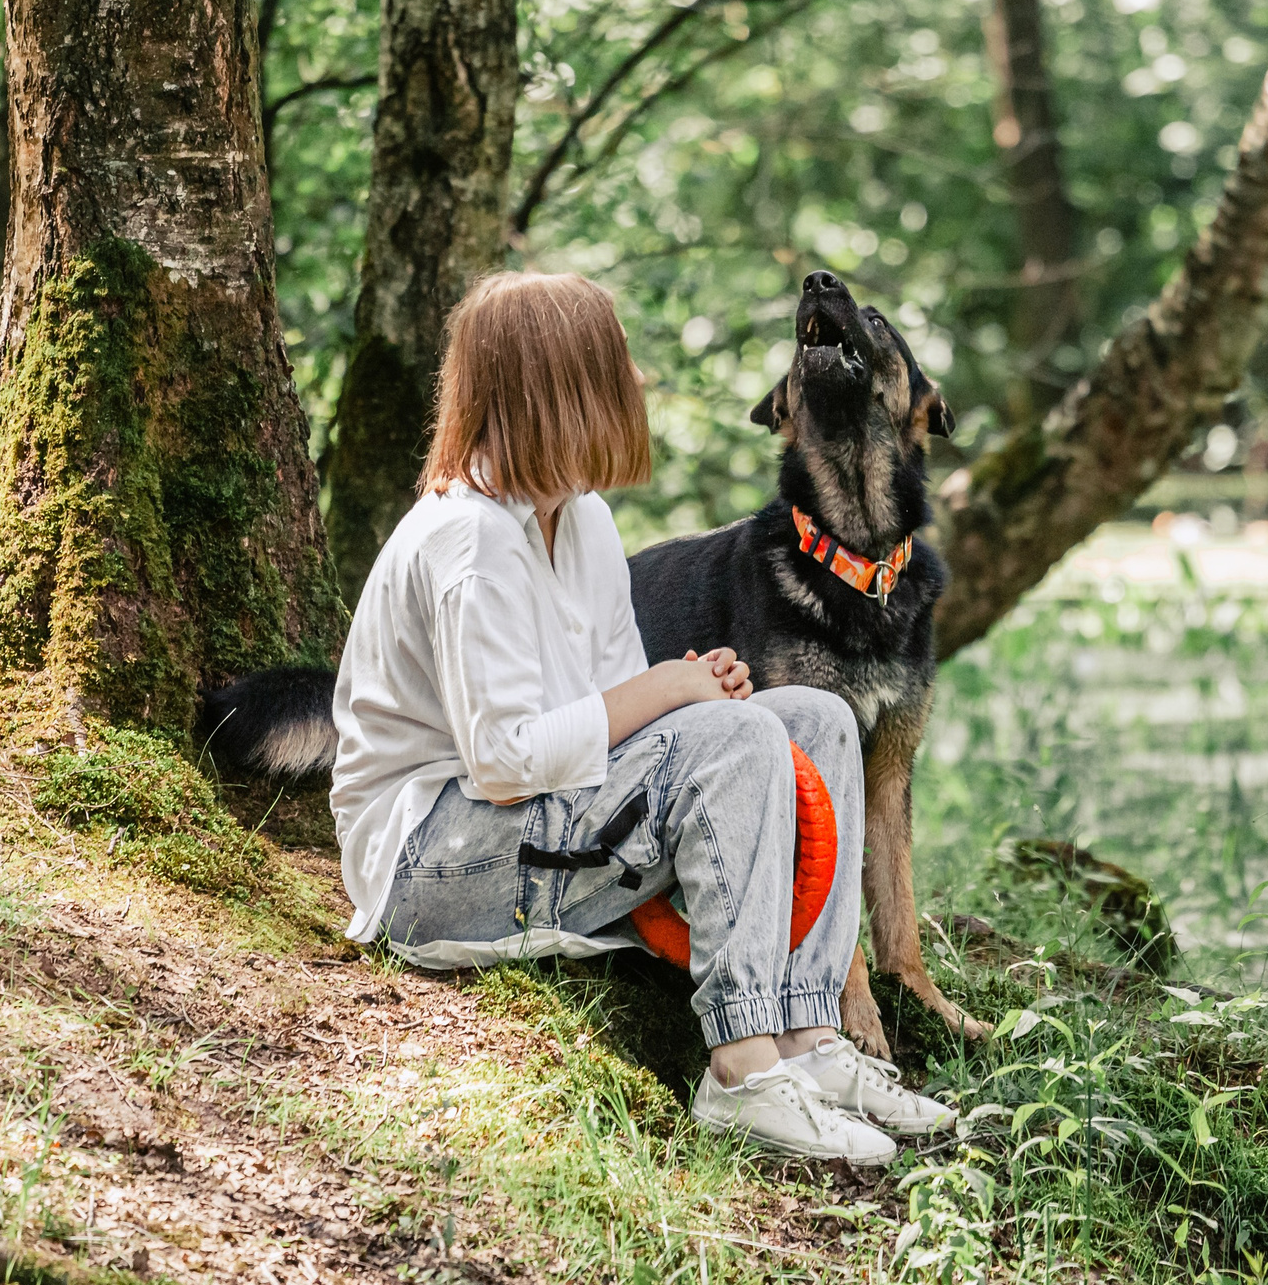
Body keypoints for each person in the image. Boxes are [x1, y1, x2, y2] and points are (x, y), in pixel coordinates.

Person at [328, 271, 951, 1164]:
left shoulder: (580, 520)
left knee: (812, 717)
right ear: (561, 390)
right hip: (433, 863)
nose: (640, 384)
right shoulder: (469, 539)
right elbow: (503, 761)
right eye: (618, 366)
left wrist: (696, 683)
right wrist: (673, 698)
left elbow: (622, 696)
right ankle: (742, 1070)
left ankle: (812, 1038)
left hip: (535, 819)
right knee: (733, 737)